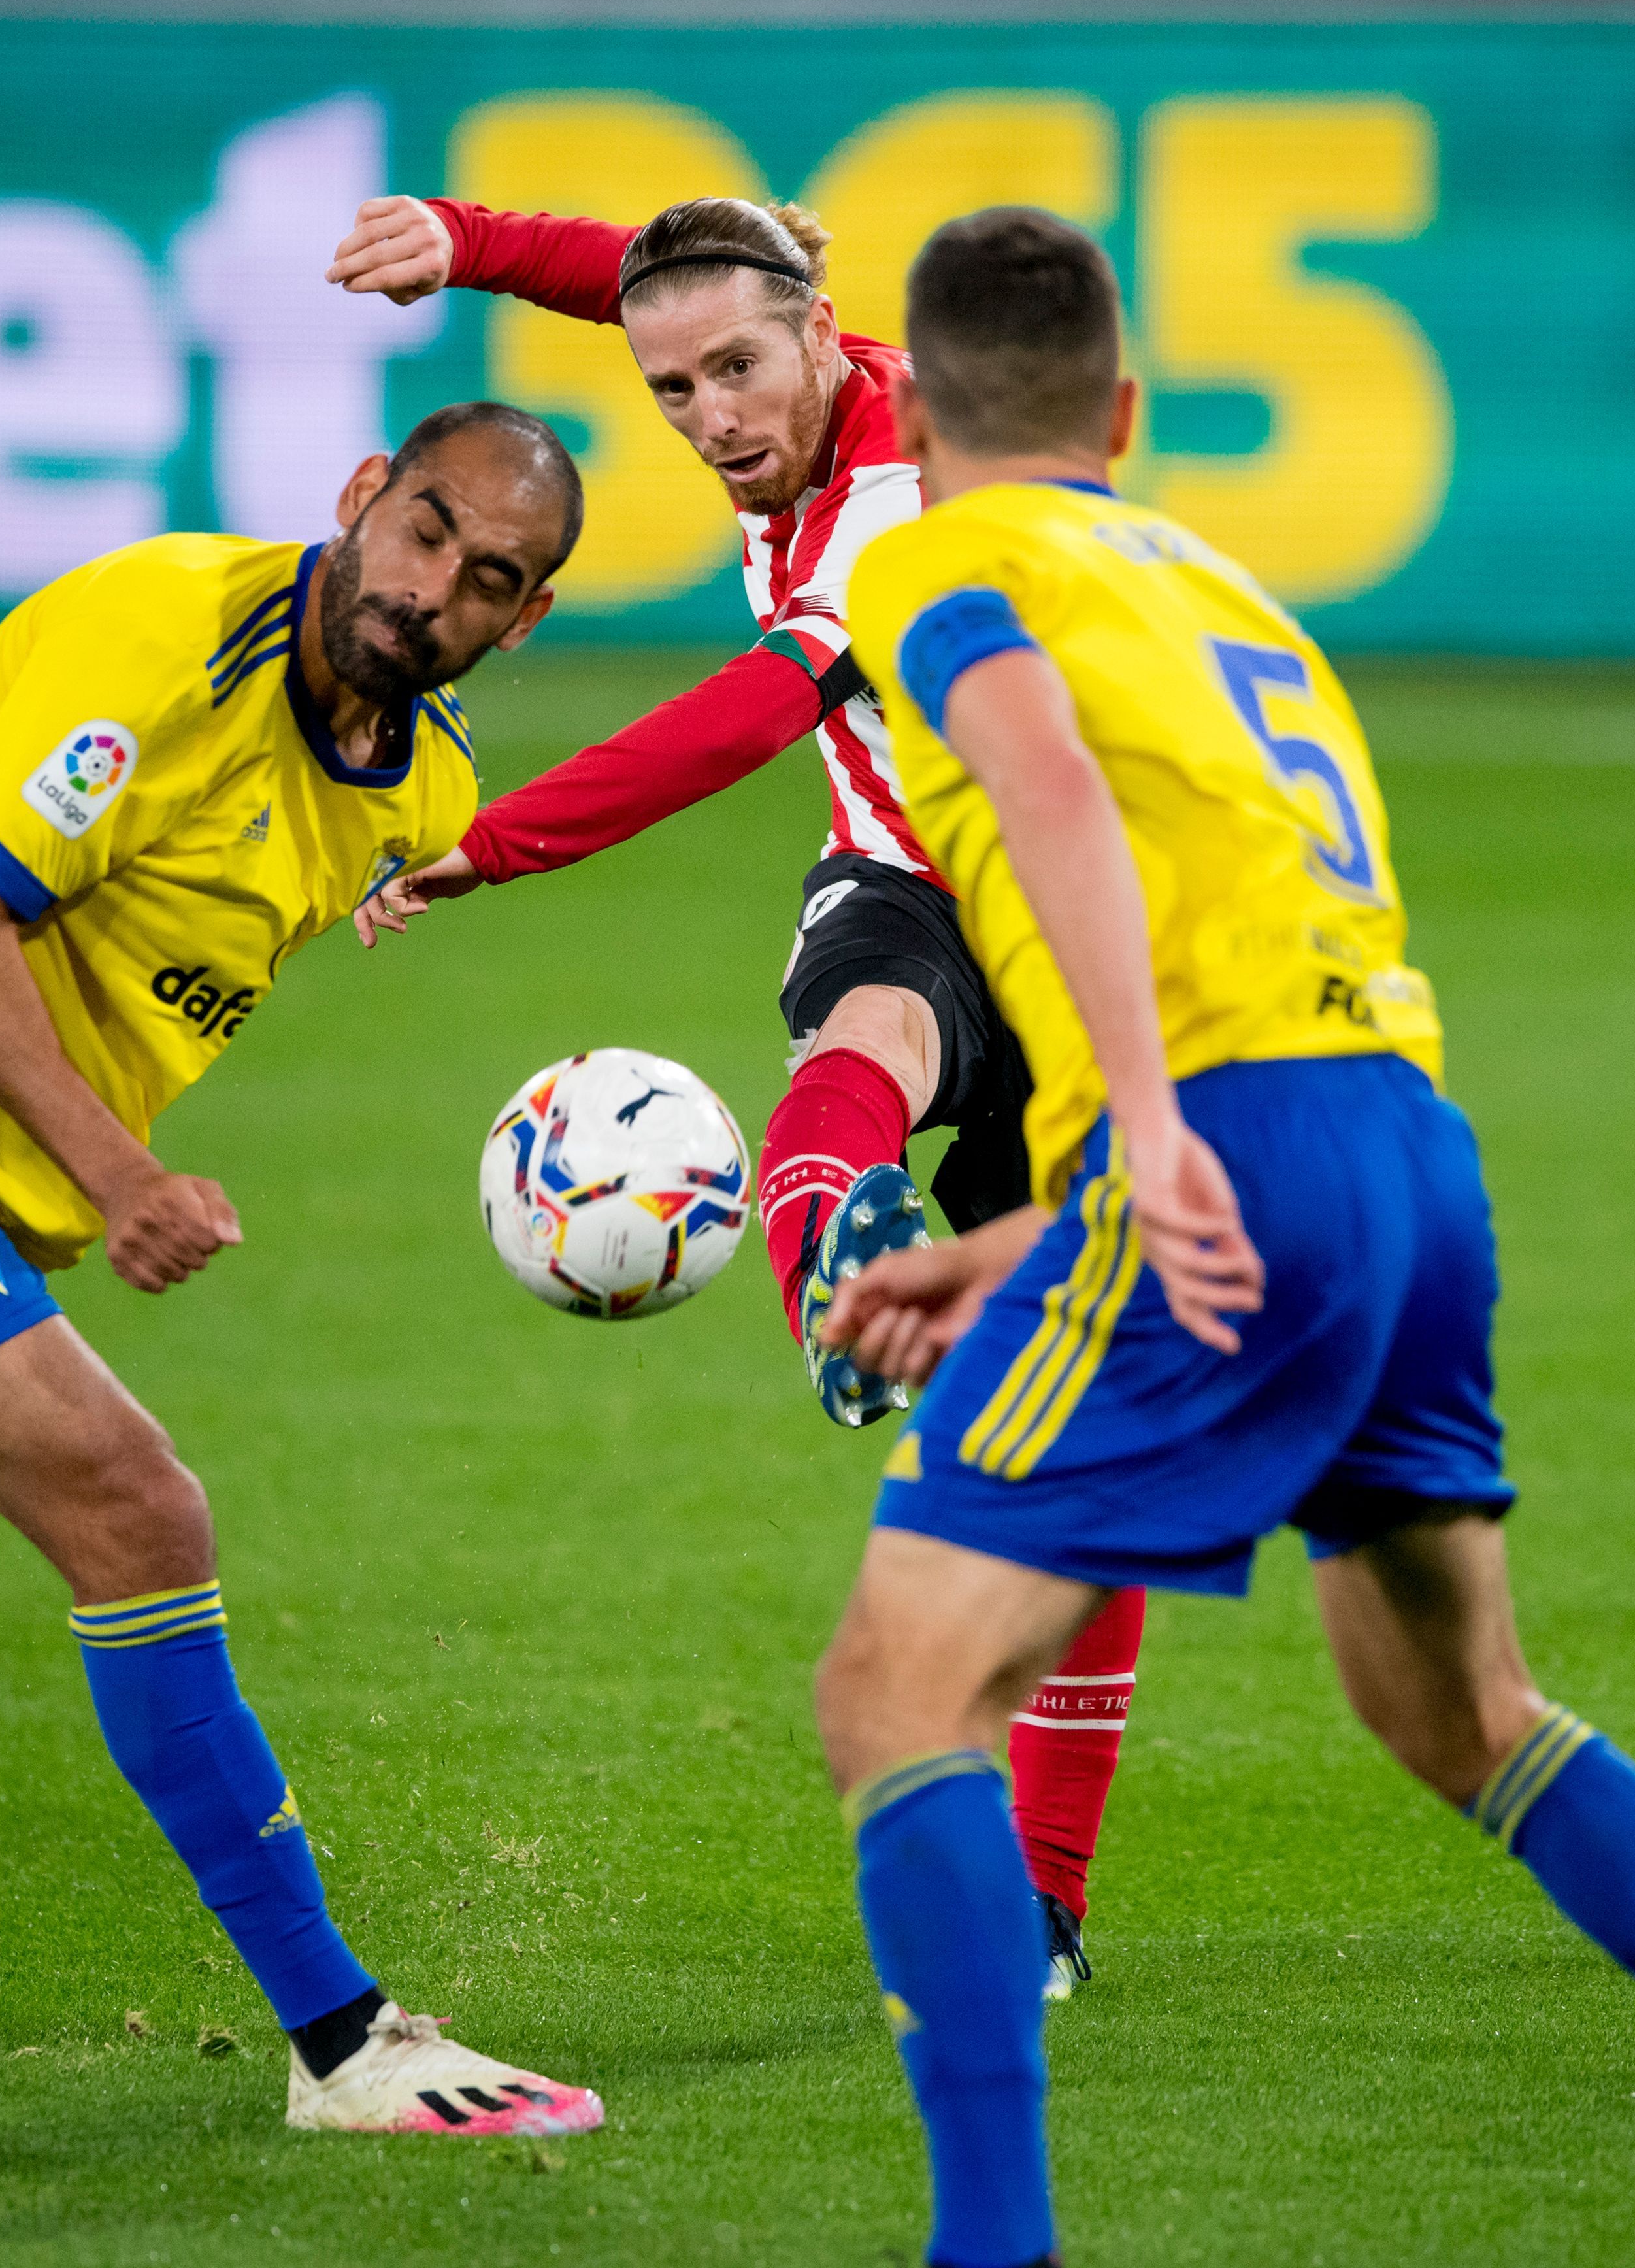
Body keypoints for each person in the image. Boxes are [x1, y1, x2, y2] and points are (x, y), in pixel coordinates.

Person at [814, 207, 1635, 2268]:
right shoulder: (1224, 591)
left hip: (1230, 1145)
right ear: (1126, 410)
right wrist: (1024, 1239)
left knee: (895, 1689)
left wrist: (1149, 1135)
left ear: (909, 412)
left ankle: (986, 2249)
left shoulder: (935, 554)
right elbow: (1265, 957)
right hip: (1400, 1150)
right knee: (1464, 1708)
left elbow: (1048, 787)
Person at [0, 405, 606, 2139]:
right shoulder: (158, 634)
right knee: (141, 1507)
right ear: (362, 495)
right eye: (427, 530)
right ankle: (345, 2040)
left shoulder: (416, 790)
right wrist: (121, 1174)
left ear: (519, 626)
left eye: (488, 579)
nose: (433, 587)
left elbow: (29, 869)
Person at [327, 188, 1144, 1999]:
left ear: (822, 331)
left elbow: (746, 717)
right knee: (853, 1046)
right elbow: (675, 277)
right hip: (908, 867)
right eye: (672, 388)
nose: (706, 417)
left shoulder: (896, 497)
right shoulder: (800, 361)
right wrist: (467, 242)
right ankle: (842, 1301)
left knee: (1092, 1456)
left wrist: (496, 844)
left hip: (1077, 905)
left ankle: (1046, 1891)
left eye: (732, 377)